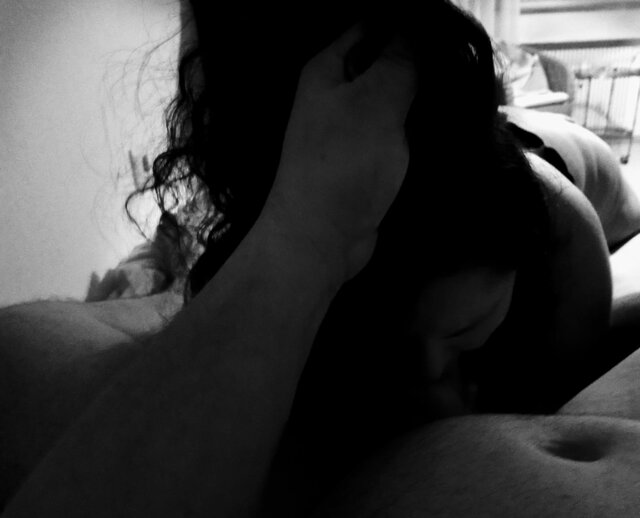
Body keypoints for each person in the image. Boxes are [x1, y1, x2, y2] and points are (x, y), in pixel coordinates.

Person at [0, 1, 638, 516]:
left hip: (557, 156)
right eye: (393, 349)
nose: (430, 377)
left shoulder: (563, 240)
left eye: (463, 333)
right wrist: (305, 231)